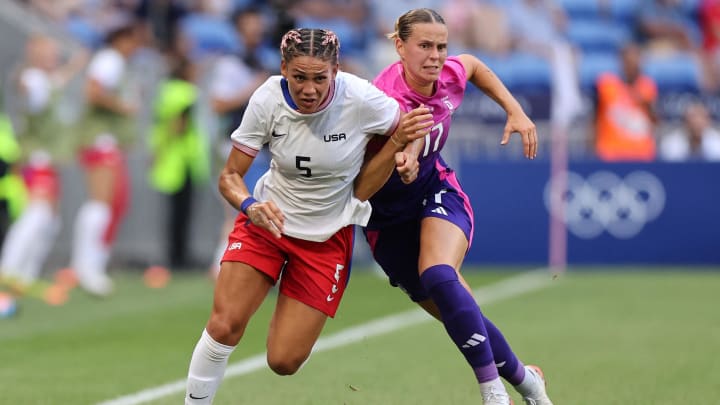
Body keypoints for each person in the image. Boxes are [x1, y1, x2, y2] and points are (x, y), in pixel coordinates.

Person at [184, 28, 432, 404]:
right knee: (224, 324)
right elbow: (230, 176)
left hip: (327, 237)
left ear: (336, 70)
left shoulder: (361, 98)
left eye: (320, 78)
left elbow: (412, 124)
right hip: (267, 223)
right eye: (299, 77)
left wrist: (407, 152)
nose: (310, 89)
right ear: (284, 69)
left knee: (284, 360)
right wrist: (251, 206)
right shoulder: (267, 98)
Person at [362, 8, 552, 405]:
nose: (435, 56)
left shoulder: (447, 73)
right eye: (424, 46)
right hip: (386, 222)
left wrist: (514, 110)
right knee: (459, 312)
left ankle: (492, 393)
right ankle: (529, 382)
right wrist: (404, 156)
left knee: (439, 274)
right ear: (399, 47)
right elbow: (405, 128)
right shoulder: (381, 100)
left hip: (436, 192)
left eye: (441, 46)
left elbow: (473, 66)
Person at [0, 35, 86, 289]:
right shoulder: (32, 78)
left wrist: (76, 64)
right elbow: (31, 90)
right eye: (48, 53)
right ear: (34, 55)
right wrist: (22, 83)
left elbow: (57, 81)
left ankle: (24, 276)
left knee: (49, 221)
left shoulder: (46, 79)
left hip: (46, 160)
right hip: (36, 158)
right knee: (37, 215)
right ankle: (9, 270)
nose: (53, 58)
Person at [71, 20, 143, 296]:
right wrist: (122, 106)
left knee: (114, 202)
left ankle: (91, 264)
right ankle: (86, 266)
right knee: (102, 202)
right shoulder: (109, 60)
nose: (137, 48)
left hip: (108, 140)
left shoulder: (116, 63)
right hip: (100, 138)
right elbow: (92, 91)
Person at [147, 56, 210, 270]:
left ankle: (175, 255)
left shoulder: (166, 91)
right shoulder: (186, 93)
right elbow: (178, 125)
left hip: (171, 158)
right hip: (183, 160)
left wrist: (158, 150)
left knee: (175, 212)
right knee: (182, 212)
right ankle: (180, 258)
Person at [593, 42, 658, 162]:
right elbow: (594, 119)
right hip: (610, 153)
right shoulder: (606, 84)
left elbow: (655, 120)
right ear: (621, 61)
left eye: (637, 60)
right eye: (629, 61)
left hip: (642, 154)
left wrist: (646, 103)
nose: (633, 65)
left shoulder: (648, 86)